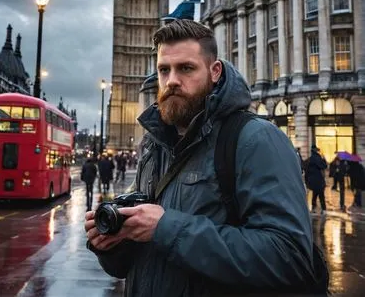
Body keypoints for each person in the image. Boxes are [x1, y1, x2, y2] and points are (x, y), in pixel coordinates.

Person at [85, 19, 318, 296]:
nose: (171, 80)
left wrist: (166, 228)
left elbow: (290, 257)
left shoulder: (256, 139)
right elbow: (138, 263)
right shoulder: (154, 145)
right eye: (164, 70)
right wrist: (112, 243)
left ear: (215, 70)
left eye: (186, 68)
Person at [305, 145, 328, 214]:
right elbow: (324, 166)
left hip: (313, 181)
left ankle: (314, 208)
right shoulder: (318, 158)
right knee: (321, 195)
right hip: (319, 180)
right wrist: (324, 159)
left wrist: (307, 181)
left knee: (314, 195)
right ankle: (323, 210)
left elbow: (307, 170)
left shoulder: (310, 159)